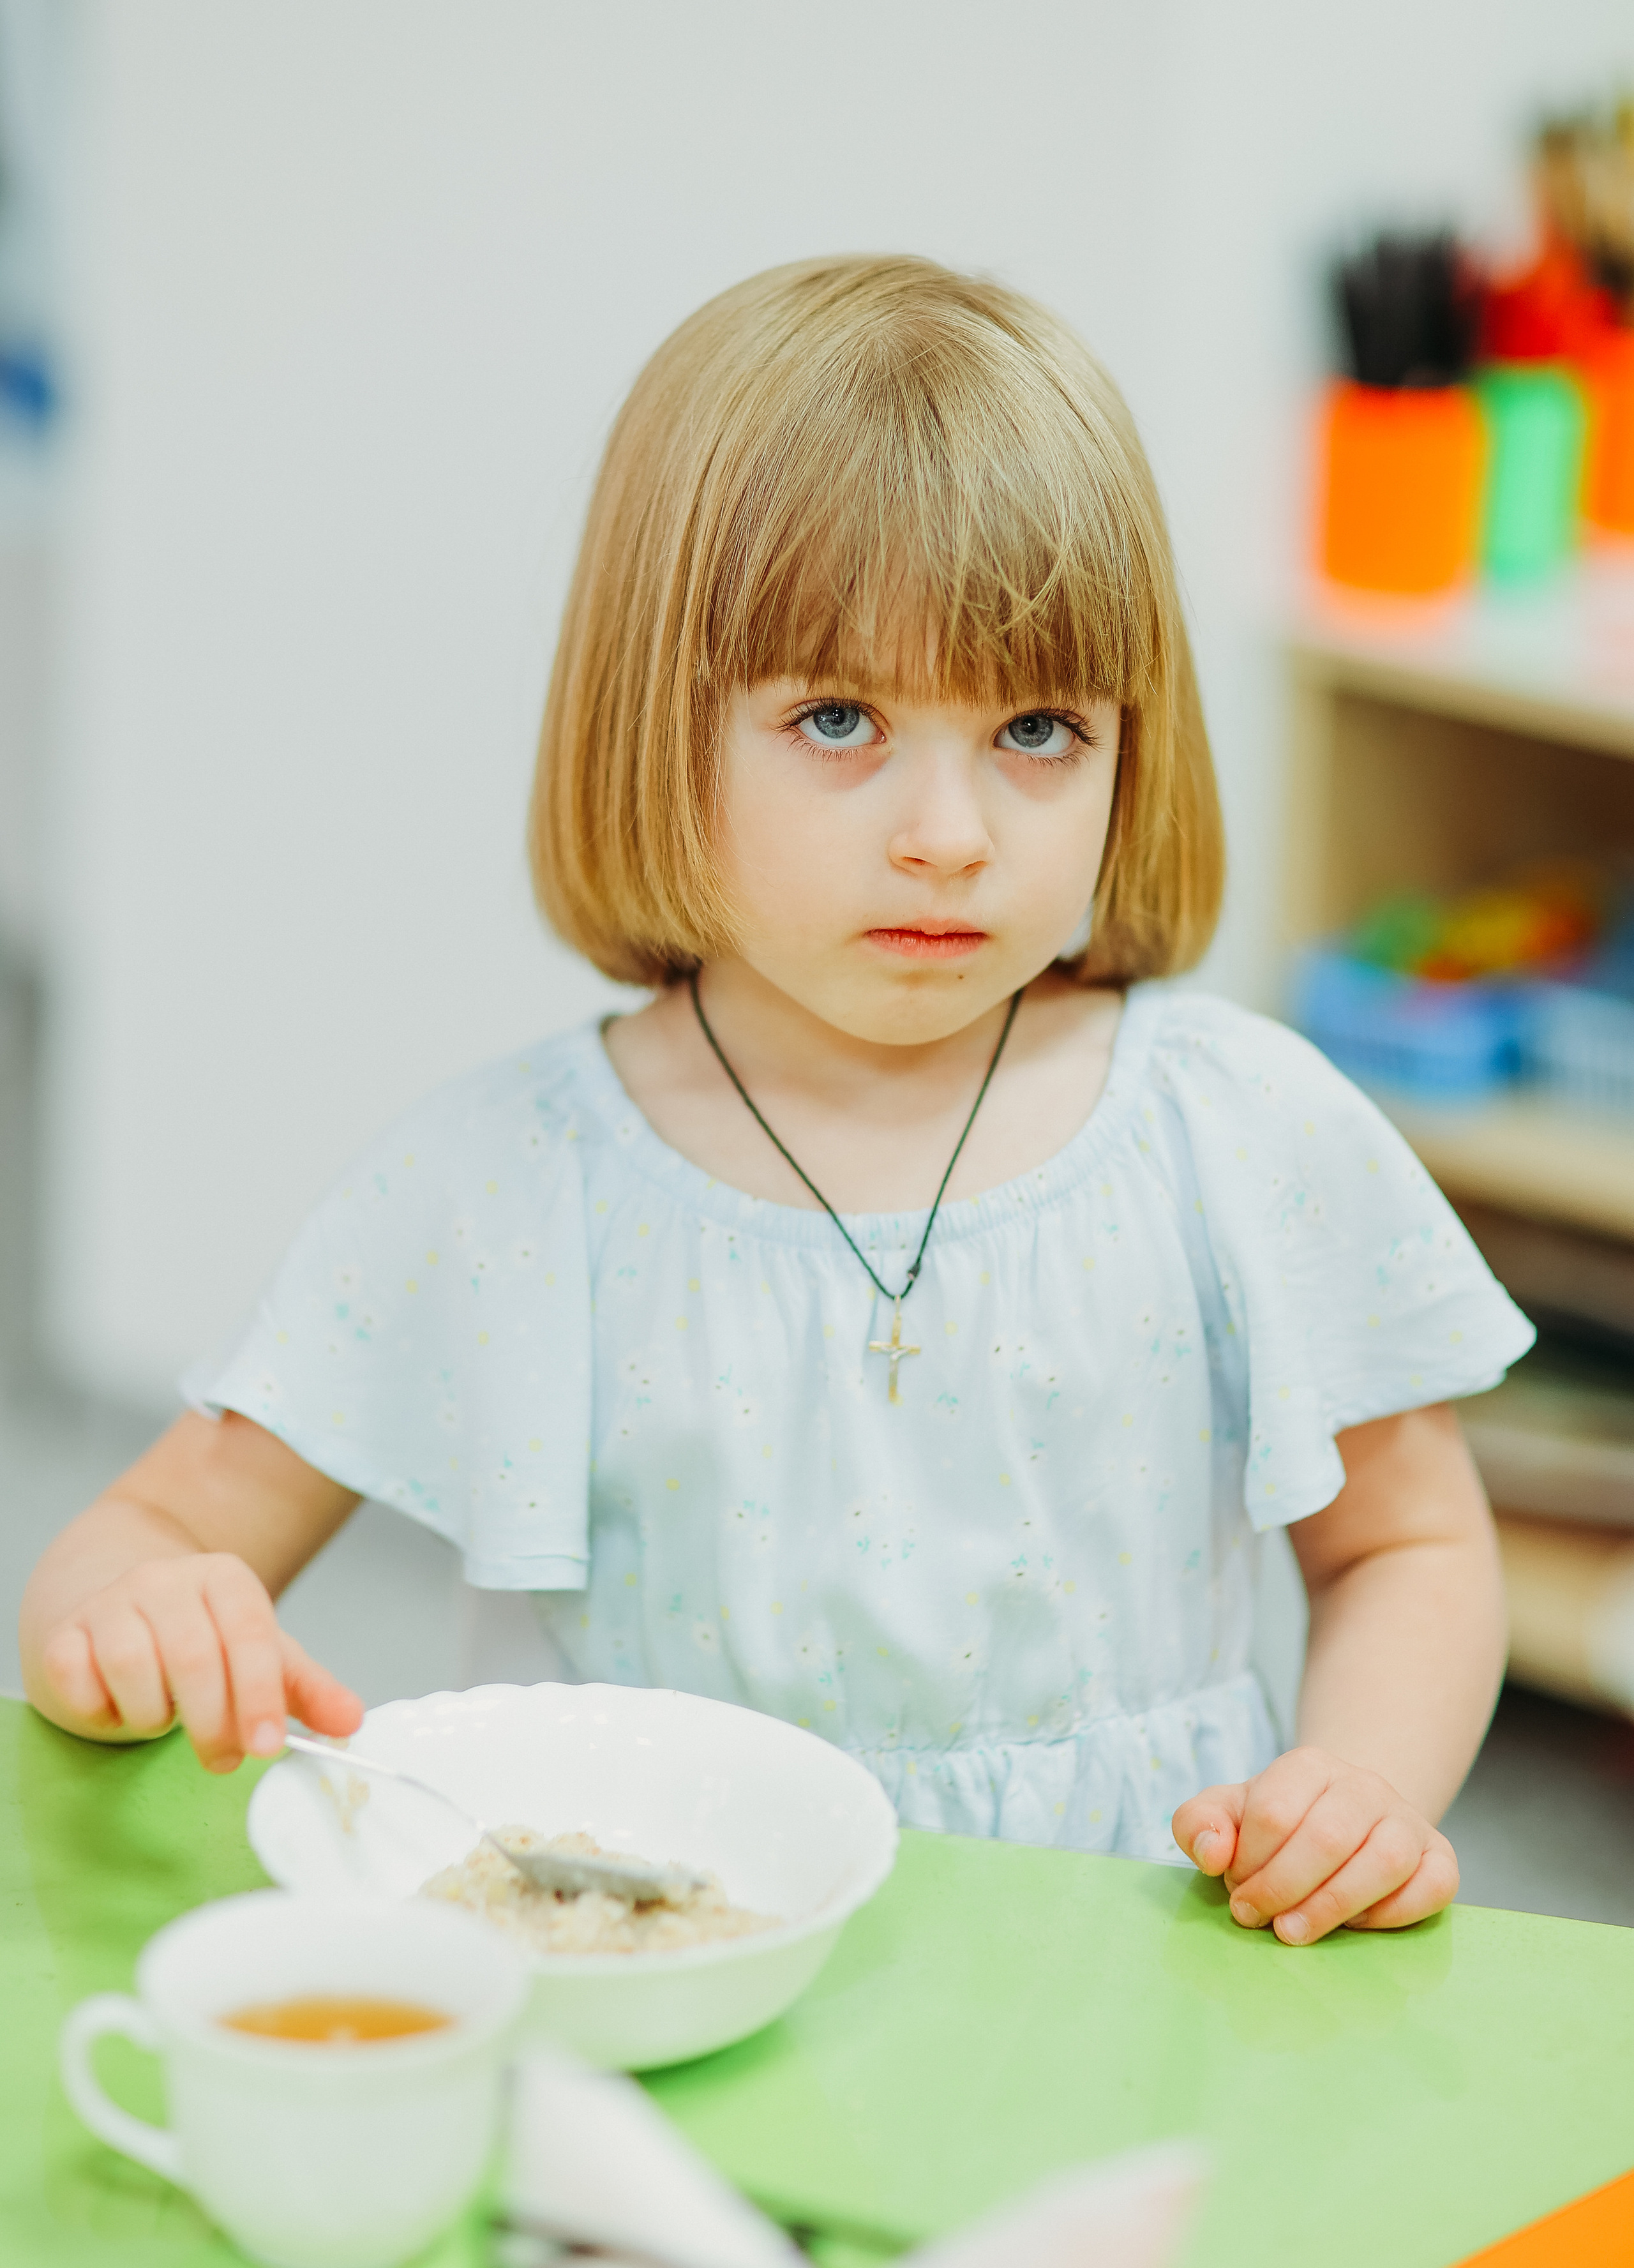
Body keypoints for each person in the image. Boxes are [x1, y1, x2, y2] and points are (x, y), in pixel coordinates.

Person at [20, 255, 1532, 1946]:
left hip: (1129, 1984)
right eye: (837, 717)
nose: (950, 830)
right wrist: (140, 1617)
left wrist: (1362, 1790)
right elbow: (146, 1531)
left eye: (1036, 728)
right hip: (650, 1985)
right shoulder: (501, 1185)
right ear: (656, 731)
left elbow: (1410, 1547)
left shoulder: (1241, 1133)